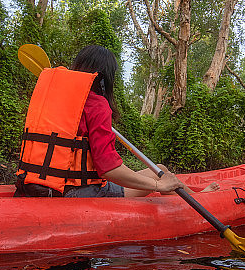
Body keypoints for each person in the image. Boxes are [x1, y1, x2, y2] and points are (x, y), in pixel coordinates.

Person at [15, 45, 195, 198]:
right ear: (106, 78)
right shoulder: (97, 104)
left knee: (159, 169)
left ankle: (198, 194)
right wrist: (157, 187)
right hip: (73, 192)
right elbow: (109, 170)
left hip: (32, 185)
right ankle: (201, 200)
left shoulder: (52, 99)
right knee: (160, 175)